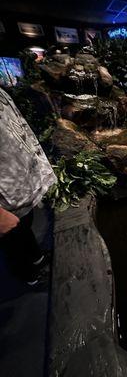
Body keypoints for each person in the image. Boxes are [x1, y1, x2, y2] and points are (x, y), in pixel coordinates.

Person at [0, 87, 57, 285]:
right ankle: (29, 277)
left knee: (25, 226)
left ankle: (37, 258)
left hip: (18, 187)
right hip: (4, 201)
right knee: (12, 243)